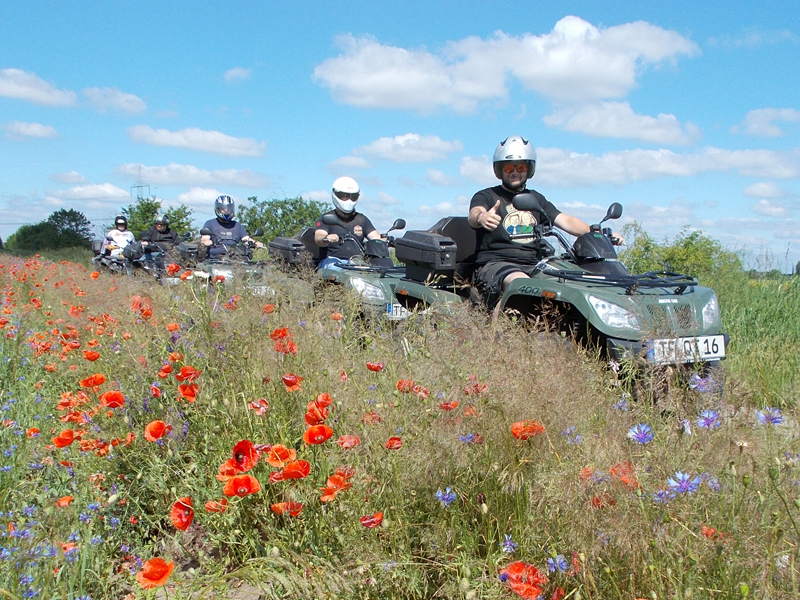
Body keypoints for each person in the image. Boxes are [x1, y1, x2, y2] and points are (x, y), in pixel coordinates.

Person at [468, 135, 623, 304]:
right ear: (499, 170)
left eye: (520, 167)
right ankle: (498, 329)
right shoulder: (487, 196)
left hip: (534, 264)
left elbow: (565, 220)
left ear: (529, 169)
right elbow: (475, 213)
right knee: (521, 284)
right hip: (496, 264)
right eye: (508, 168)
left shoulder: (536, 198)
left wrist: (596, 234)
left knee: (571, 282)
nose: (514, 172)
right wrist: (482, 217)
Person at [314, 176, 381, 270]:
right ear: (336, 194)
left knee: (375, 273)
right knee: (336, 270)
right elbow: (319, 237)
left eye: (352, 197)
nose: (348, 200)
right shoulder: (326, 218)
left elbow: (375, 237)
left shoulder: (362, 219)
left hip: (356, 262)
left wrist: (386, 240)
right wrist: (327, 238)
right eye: (344, 196)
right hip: (332, 261)